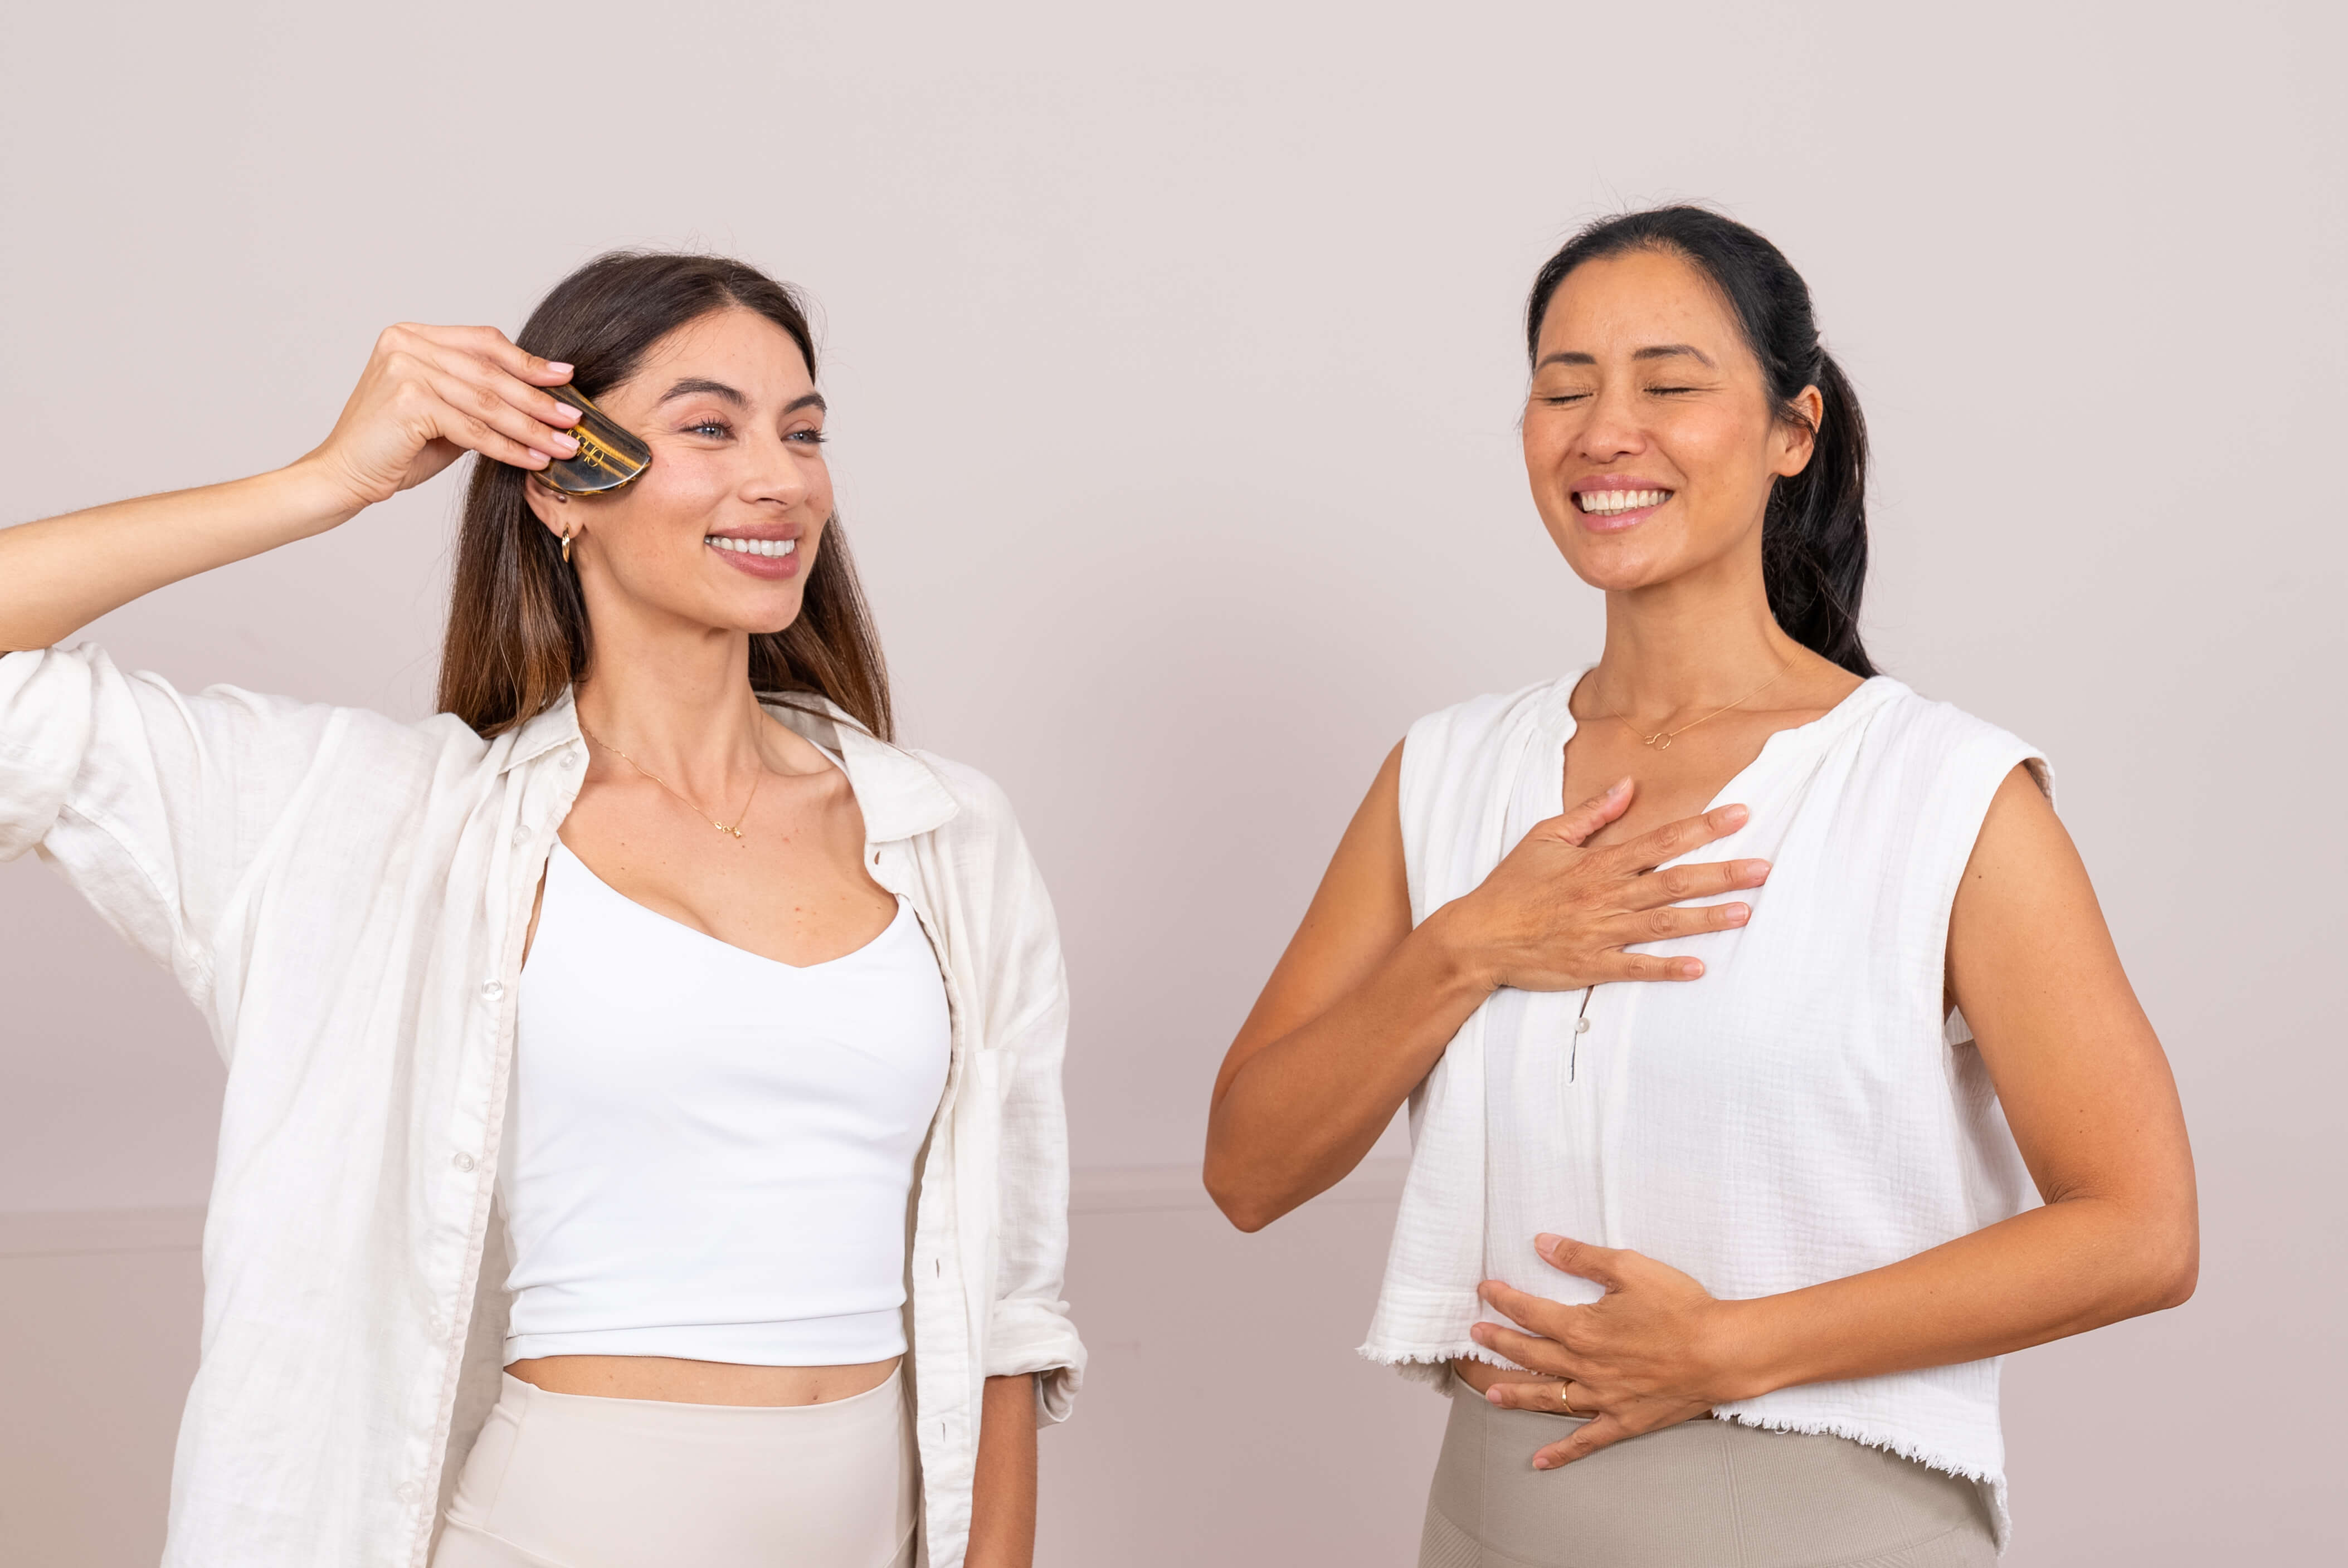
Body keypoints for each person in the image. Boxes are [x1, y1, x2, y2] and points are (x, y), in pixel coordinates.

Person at [0, 252, 1081, 1568]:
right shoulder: (389, 823)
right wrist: (324, 482)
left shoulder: (948, 836)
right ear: (564, 483)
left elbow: (1008, 1301)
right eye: (708, 426)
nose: (780, 477)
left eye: (803, 432)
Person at [1203, 207, 2196, 1566]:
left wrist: (1727, 1345)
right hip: (1490, 1514)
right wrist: (1468, 947)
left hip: (1828, 1520)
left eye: (1669, 384)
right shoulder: (1444, 775)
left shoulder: (1940, 792)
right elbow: (1247, 1169)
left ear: (1791, 431)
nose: (1606, 429)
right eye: (1564, 387)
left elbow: (2140, 1231)